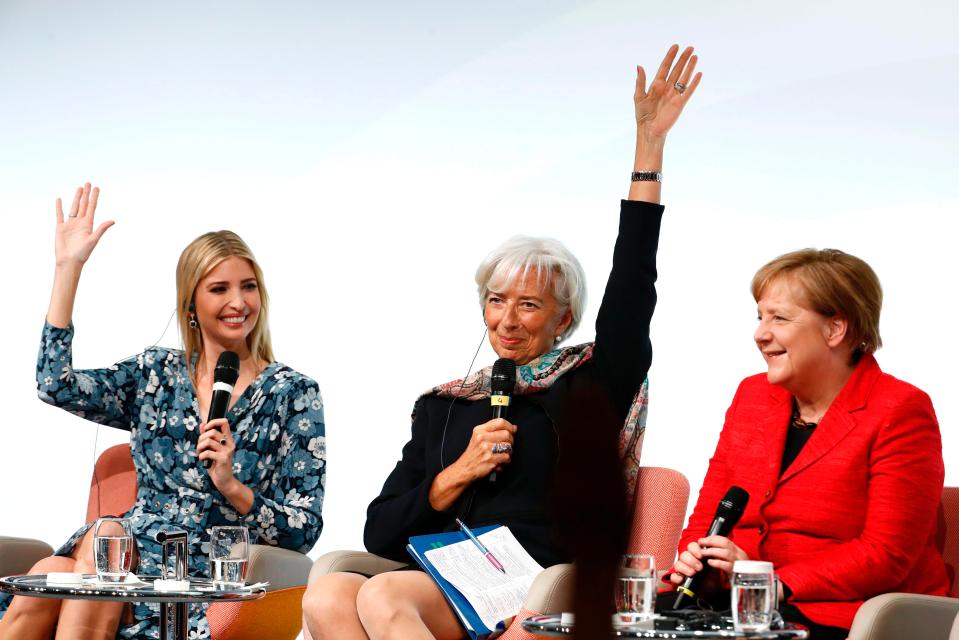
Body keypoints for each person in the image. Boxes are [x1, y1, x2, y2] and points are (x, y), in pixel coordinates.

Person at [302, 44, 702, 640]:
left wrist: (649, 151)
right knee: (330, 590)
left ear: (564, 319)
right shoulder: (444, 405)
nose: (508, 319)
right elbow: (379, 531)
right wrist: (455, 475)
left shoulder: (589, 385)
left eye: (529, 303)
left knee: (384, 594)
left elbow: (632, 287)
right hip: (443, 570)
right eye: (497, 301)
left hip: (537, 579)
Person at [0, 186, 326, 640]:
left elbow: (304, 530)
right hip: (124, 555)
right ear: (190, 303)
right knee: (61, 565)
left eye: (248, 287)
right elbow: (55, 385)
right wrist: (67, 269)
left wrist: (232, 486)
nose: (238, 303)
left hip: (199, 579)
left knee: (69, 568)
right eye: (219, 289)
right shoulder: (156, 372)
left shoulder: (293, 394)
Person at [667, 248, 951, 639]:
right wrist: (702, 563)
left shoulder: (900, 409)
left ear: (835, 329)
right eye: (760, 316)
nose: (760, 334)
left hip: (844, 614)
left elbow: (886, 554)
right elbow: (708, 516)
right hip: (733, 606)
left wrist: (763, 581)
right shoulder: (751, 397)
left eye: (779, 318)